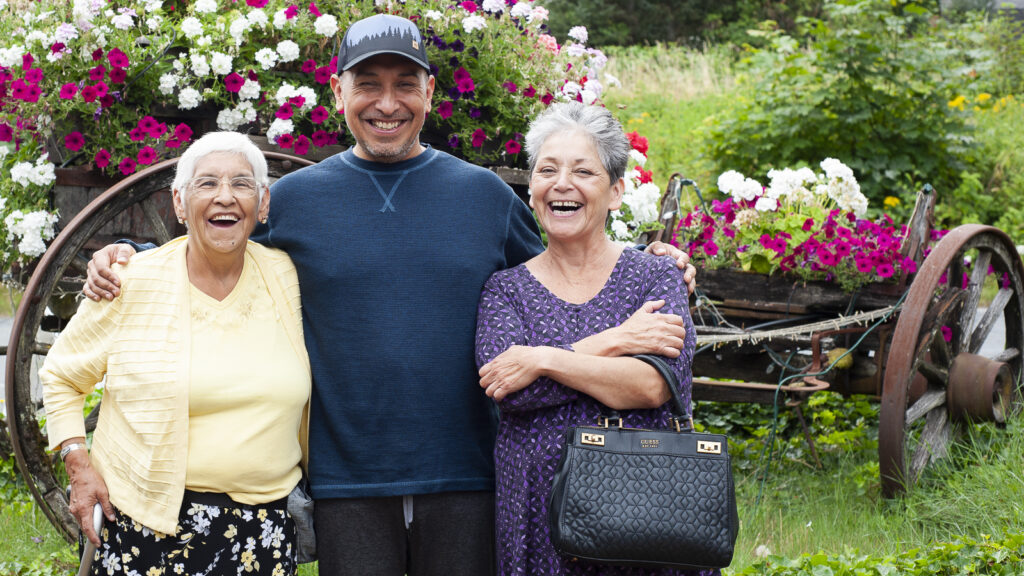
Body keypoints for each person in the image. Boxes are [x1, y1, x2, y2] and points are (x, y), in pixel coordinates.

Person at [82, 14, 696, 576]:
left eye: (406, 83)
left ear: (430, 93)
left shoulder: (482, 196)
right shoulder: (296, 200)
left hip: (467, 474)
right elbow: (213, 253)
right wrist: (127, 259)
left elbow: (561, 265)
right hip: (349, 478)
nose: (387, 102)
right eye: (367, 83)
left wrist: (650, 263)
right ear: (338, 93)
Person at [42, 132, 310, 575]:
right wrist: (78, 464)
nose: (225, 197)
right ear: (179, 203)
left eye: (242, 184)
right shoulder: (130, 281)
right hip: (146, 528)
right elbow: (63, 376)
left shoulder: (287, 276)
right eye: (206, 184)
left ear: (263, 204)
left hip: (264, 530)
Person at [475, 101, 715, 576]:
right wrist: (617, 340)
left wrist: (541, 359)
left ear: (616, 192)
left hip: (649, 509)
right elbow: (510, 390)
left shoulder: (656, 275)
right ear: (532, 191)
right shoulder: (504, 290)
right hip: (536, 510)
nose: (562, 184)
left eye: (583, 171)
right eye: (547, 170)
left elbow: (650, 386)